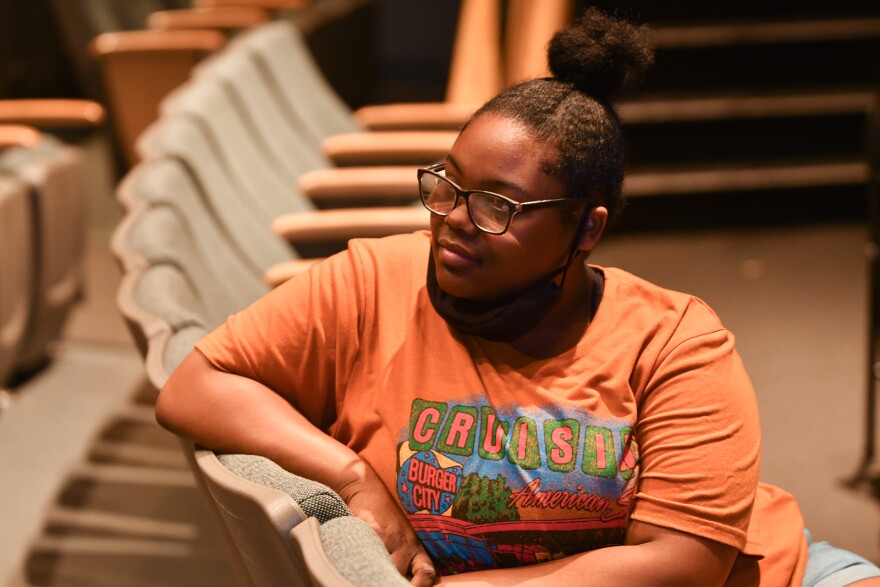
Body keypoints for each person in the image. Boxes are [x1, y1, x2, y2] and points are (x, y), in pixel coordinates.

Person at [156, 9, 880, 586]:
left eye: (498, 206)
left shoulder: (675, 339)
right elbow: (195, 383)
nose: (453, 221)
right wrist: (351, 475)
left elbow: (684, 563)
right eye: (447, 184)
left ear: (585, 228)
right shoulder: (372, 281)